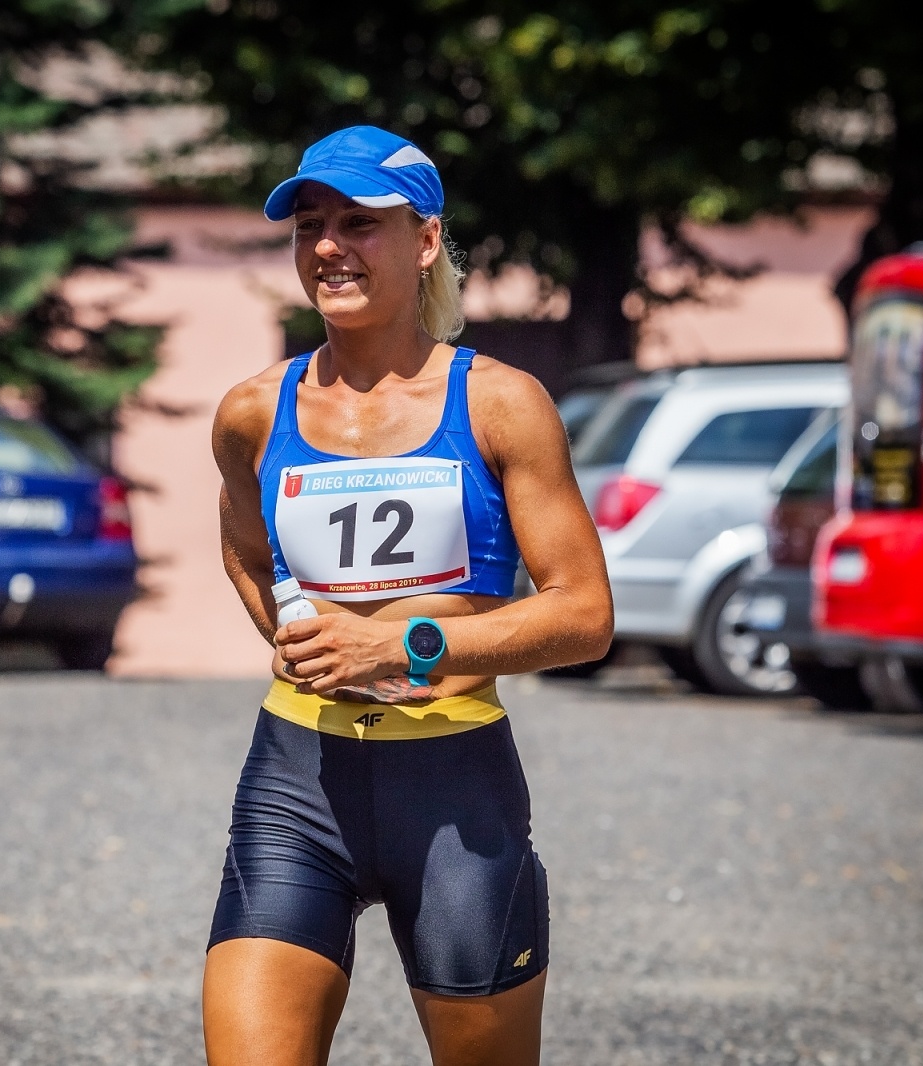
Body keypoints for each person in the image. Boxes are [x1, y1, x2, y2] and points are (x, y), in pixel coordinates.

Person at [205, 125, 613, 1066]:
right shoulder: (253, 411)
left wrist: (397, 651)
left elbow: (585, 614)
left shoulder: (501, 404)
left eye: (359, 222)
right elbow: (244, 555)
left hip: (455, 793)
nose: (328, 247)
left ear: (426, 240)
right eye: (310, 226)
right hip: (296, 784)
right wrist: (300, 639)